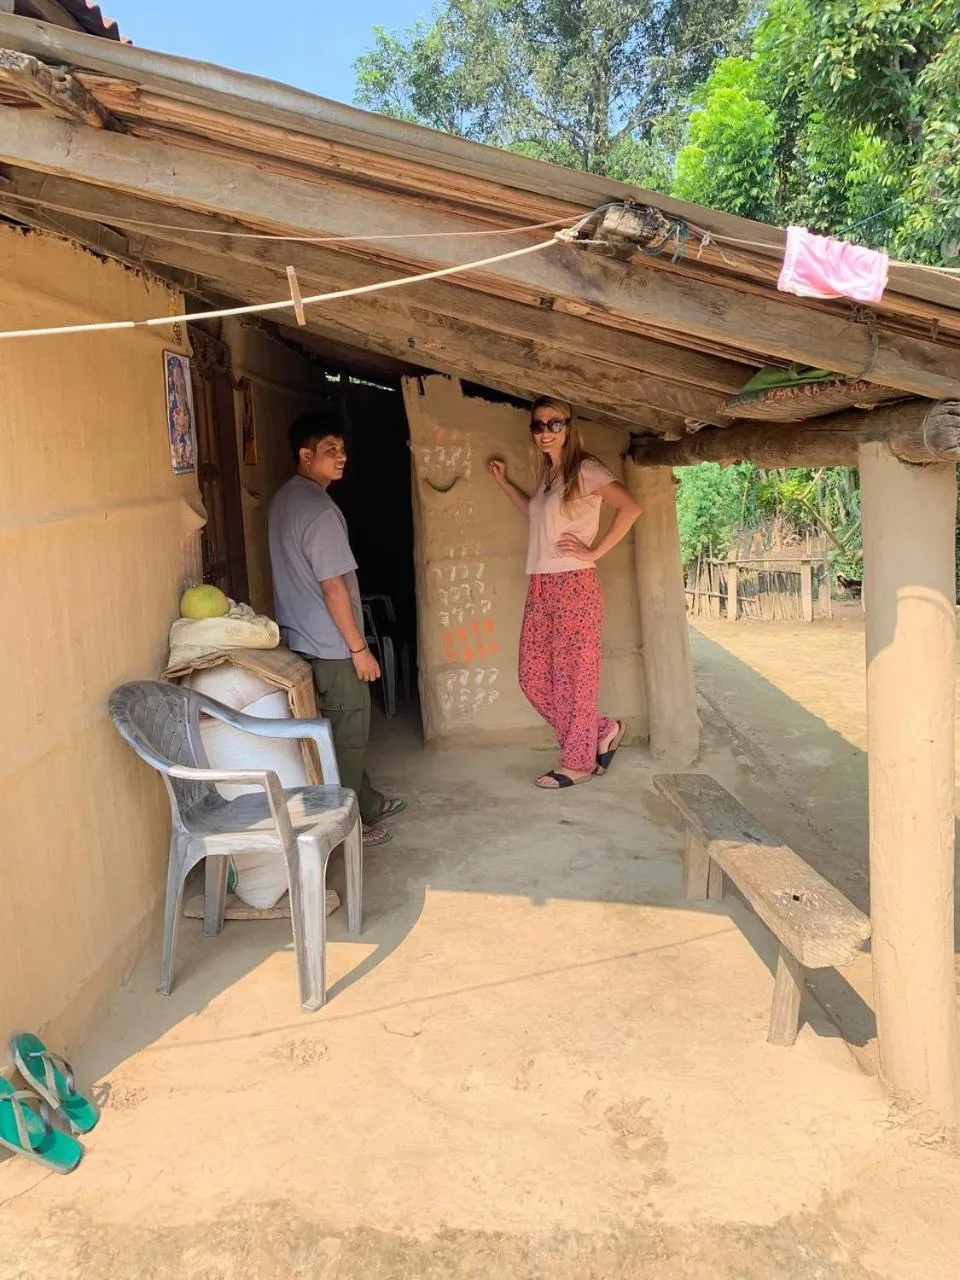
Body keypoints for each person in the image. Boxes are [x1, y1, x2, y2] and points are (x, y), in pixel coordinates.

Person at [488, 396, 641, 789]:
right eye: (537, 425)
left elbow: (630, 508)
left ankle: (578, 762)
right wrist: (504, 484)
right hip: (540, 583)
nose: (545, 432)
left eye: (554, 424)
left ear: (569, 427)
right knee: (533, 676)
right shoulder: (547, 476)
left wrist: (596, 552)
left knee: (575, 678)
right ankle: (603, 728)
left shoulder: (586, 470)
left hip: (575, 583)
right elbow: (536, 516)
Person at [268, 410, 404, 845]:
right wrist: (358, 649)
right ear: (306, 456)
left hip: (299, 639)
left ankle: (365, 801)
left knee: (339, 734)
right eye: (330, 451)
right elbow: (334, 589)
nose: (341, 457)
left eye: (342, 449)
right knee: (348, 738)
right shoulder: (320, 512)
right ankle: (348, 827)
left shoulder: (284, 500)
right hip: (331, 646)